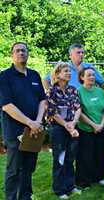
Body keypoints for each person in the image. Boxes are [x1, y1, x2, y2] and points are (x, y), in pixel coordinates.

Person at [0, 42, 46, 200]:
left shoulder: (34, 75)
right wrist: (30, 122)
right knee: (14, 170)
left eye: (23, 50)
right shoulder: (5, 76)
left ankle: (26, 197)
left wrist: (38, 122)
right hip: (15, 132)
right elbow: (7, 106)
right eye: (17, 51)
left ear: (28, 54)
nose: (21, 53)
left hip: (34, 131)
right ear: (12, 55)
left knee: (28, 168)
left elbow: (42, 100)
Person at [47, 62, 81, 199]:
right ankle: (59, 189)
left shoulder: (73, 90)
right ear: (57, 74)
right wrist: (67, 125)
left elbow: (78, 108)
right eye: (65, 71)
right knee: (59, 159)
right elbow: (52, 112)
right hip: (58, 129)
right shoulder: (51, 91)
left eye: (69, 71)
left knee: (70, 158)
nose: (69, 73)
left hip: (72, 128)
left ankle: (70, 186)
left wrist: (73, 123)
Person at [76, 67, 104, 188]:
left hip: (101, 128)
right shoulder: (79, 92)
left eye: (93, 75)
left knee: (101, 155)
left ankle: (99, 177)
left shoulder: (99, 91)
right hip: (86, 130)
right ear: (82, 77)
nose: (92, 77)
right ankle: (84, 181)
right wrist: (93, 125)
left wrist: (101, 124)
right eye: (89, 75)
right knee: (85, 156)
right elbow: (79, 112)